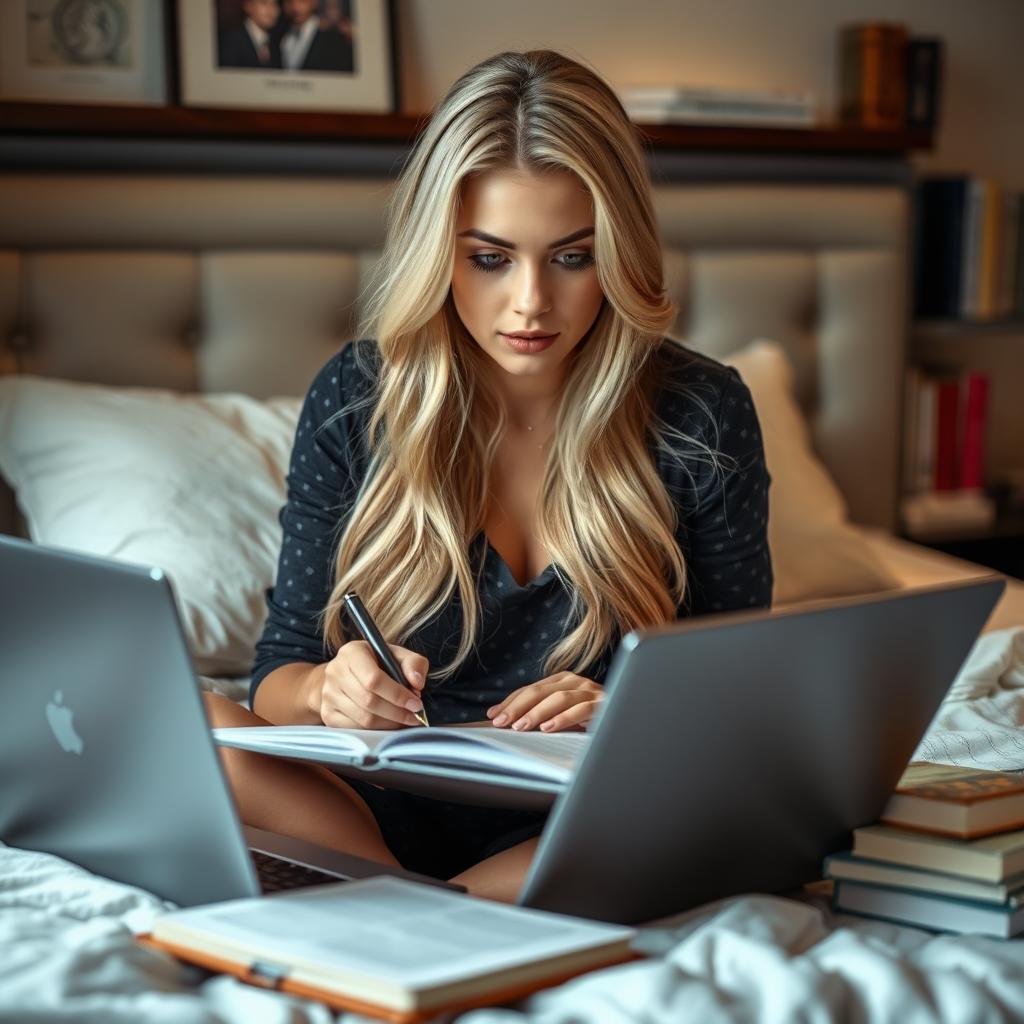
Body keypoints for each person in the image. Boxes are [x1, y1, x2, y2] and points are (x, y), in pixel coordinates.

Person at [204, 49, 773, 904]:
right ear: (441, 251)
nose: (531, 304)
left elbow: (741, 699)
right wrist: (331, 688)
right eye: (491, 258)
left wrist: (622, 711)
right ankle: (445, 912)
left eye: (573, 258)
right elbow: (277, 674)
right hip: (366, 812)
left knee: (745, 802)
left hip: (581, 817)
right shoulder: (359, 398)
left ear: (617, 251)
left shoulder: (700, 411)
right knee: (196, 724)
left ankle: (407, 915)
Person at [279, 0, 354, 73]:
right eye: (289, 1)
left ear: (314, 2)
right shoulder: (279, 36)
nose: (295, 7)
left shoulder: (333, 38)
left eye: (302, 1)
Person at [218, 0, 282, 70]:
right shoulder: (231, 39)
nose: (271, 10)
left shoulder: (277, 41)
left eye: (275, 4)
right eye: (263, 3)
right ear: (248, 6)